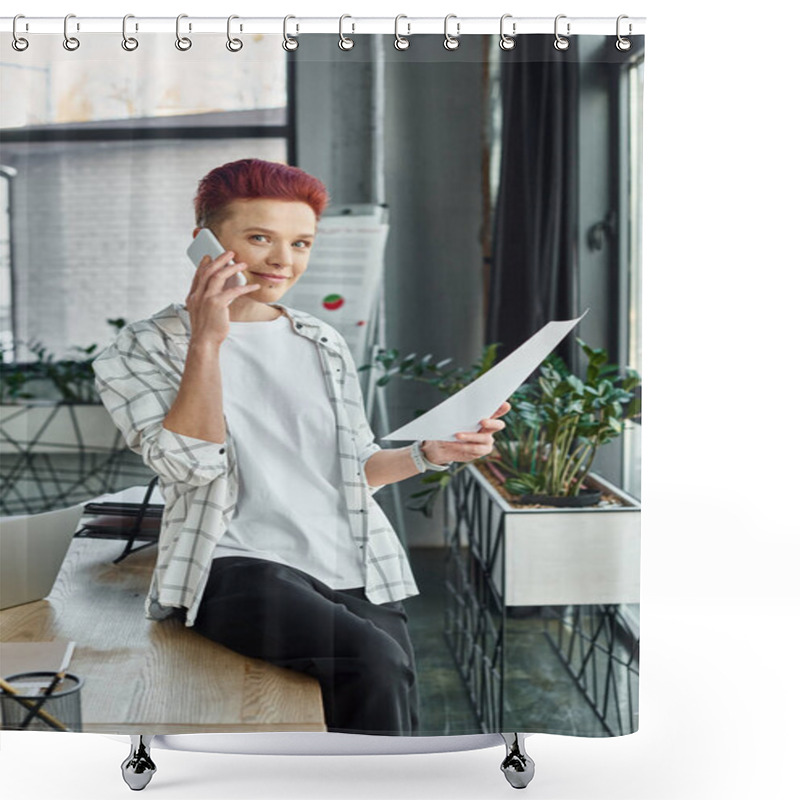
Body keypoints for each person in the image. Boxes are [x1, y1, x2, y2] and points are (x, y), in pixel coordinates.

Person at [92, 158, 510, 736]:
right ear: (205, 242)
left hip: (347, 558)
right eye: (259, 238)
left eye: (300, 243)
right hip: (233, 564)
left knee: (392, 692)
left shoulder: (320, 340)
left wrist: (429, 452)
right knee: (375, 664)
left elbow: (354, 469)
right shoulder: (138, 350)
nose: (281, 261)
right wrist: (208, 342)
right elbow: (188, 466)